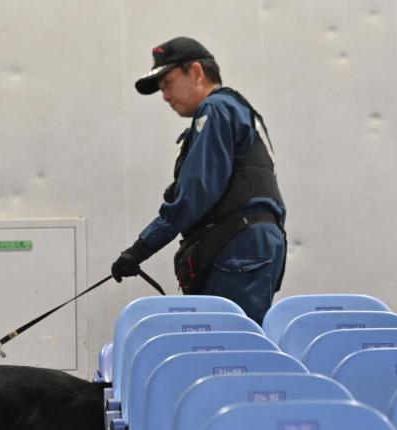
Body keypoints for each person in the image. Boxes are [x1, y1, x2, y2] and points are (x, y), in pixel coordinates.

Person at [111, 37, 287, 325]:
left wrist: (142, 247)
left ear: (195, 72)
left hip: (237, 246)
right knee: (235, 347)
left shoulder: (215, 110)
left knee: (225, 350)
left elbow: (195, 192)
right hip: (250, 243)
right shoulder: (237, 110)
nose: (164, 96)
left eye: (167, 83)